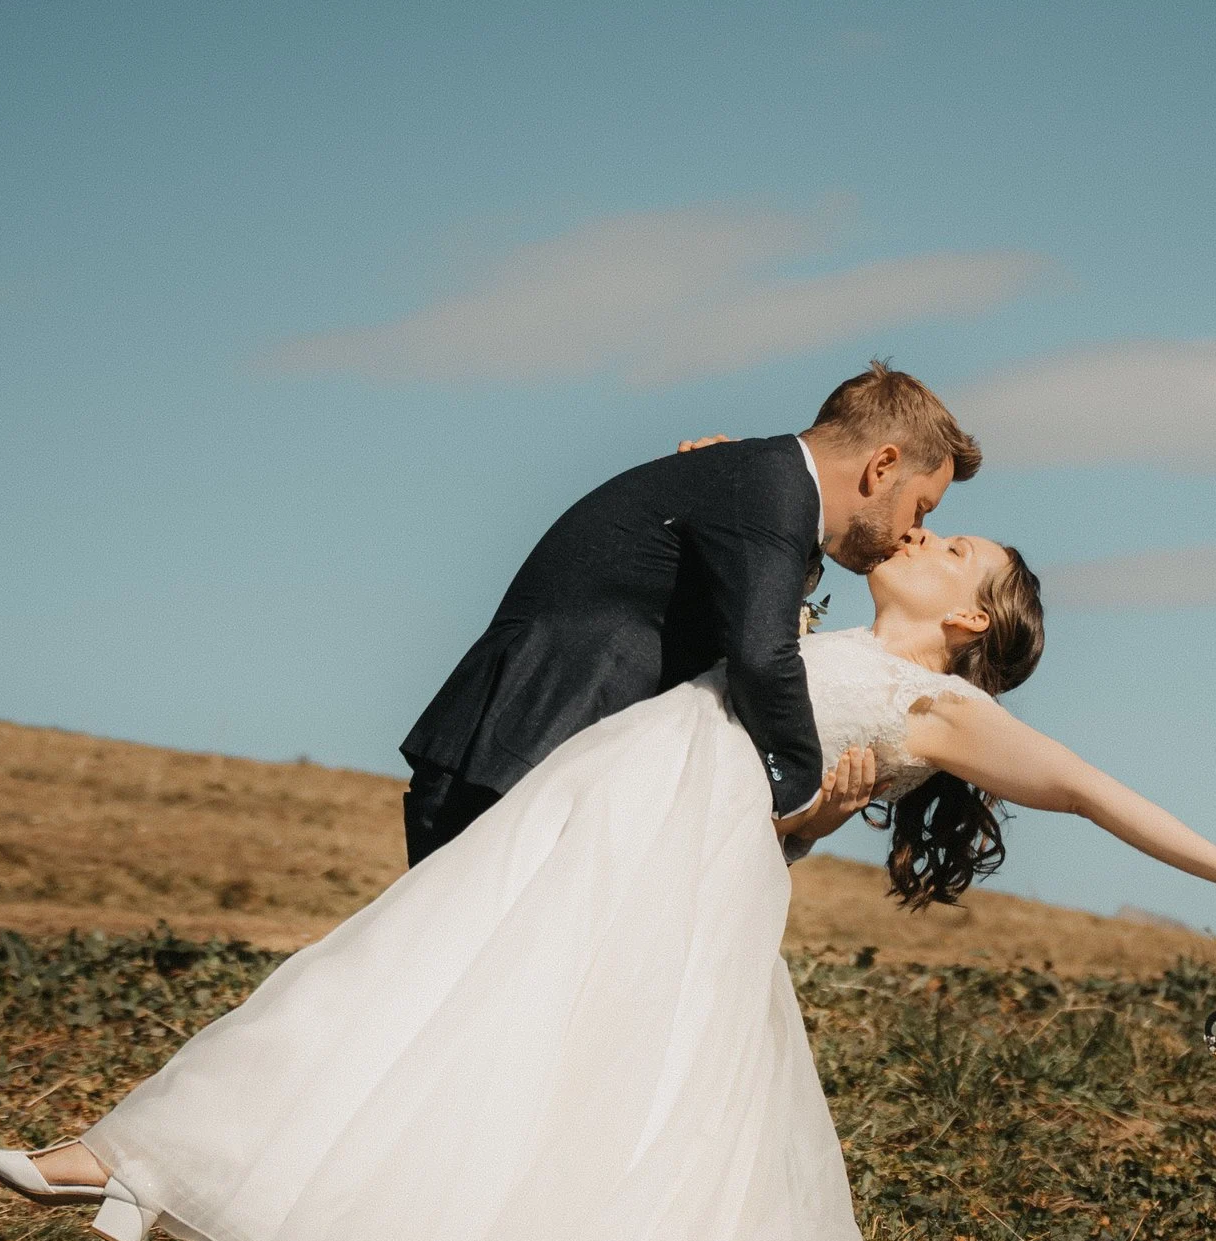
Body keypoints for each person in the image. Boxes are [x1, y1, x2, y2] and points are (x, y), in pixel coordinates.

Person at [0, 522, 1216, 1241]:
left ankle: (148, 1162)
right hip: (591, 842)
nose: (930, 533)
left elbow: (1086, 785)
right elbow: (757, 788)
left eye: (959, 546)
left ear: (972, 619)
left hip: (638, 887)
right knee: (408, 1009)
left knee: (455, 1035)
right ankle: (144, 1156)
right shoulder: (821, 644)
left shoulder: (931, 700)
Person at [397, 360, 973, 866]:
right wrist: (800, 800)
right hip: (520, 750)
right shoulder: (771, 483)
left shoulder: (760, 481)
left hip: (540, 762)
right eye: (920, 507)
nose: (913, 531)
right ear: (882, 465)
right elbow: (762, 657)